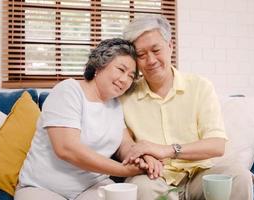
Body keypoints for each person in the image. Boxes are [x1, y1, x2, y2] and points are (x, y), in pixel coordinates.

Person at [120, 16, 254, 200]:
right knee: (141, 187)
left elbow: (216, 145)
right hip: (154, 177)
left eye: (156, 49)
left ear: (170, 46)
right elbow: (125, 144)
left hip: (200, 173)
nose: (150, 60)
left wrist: (166, 150)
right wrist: (142, 158)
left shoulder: (200, 86)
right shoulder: (125, 95)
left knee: (239, 178)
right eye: (141, 55)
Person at [15, 38, 156, 200]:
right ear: (99, 66)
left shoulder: (115, 104)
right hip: (42, 188)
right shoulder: (69, 90)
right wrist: (123, 170)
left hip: (91, 187)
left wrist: (143, 158)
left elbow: (125, 145)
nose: (125, 80)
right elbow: (67, 149)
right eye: (120, 69)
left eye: (131, 76)